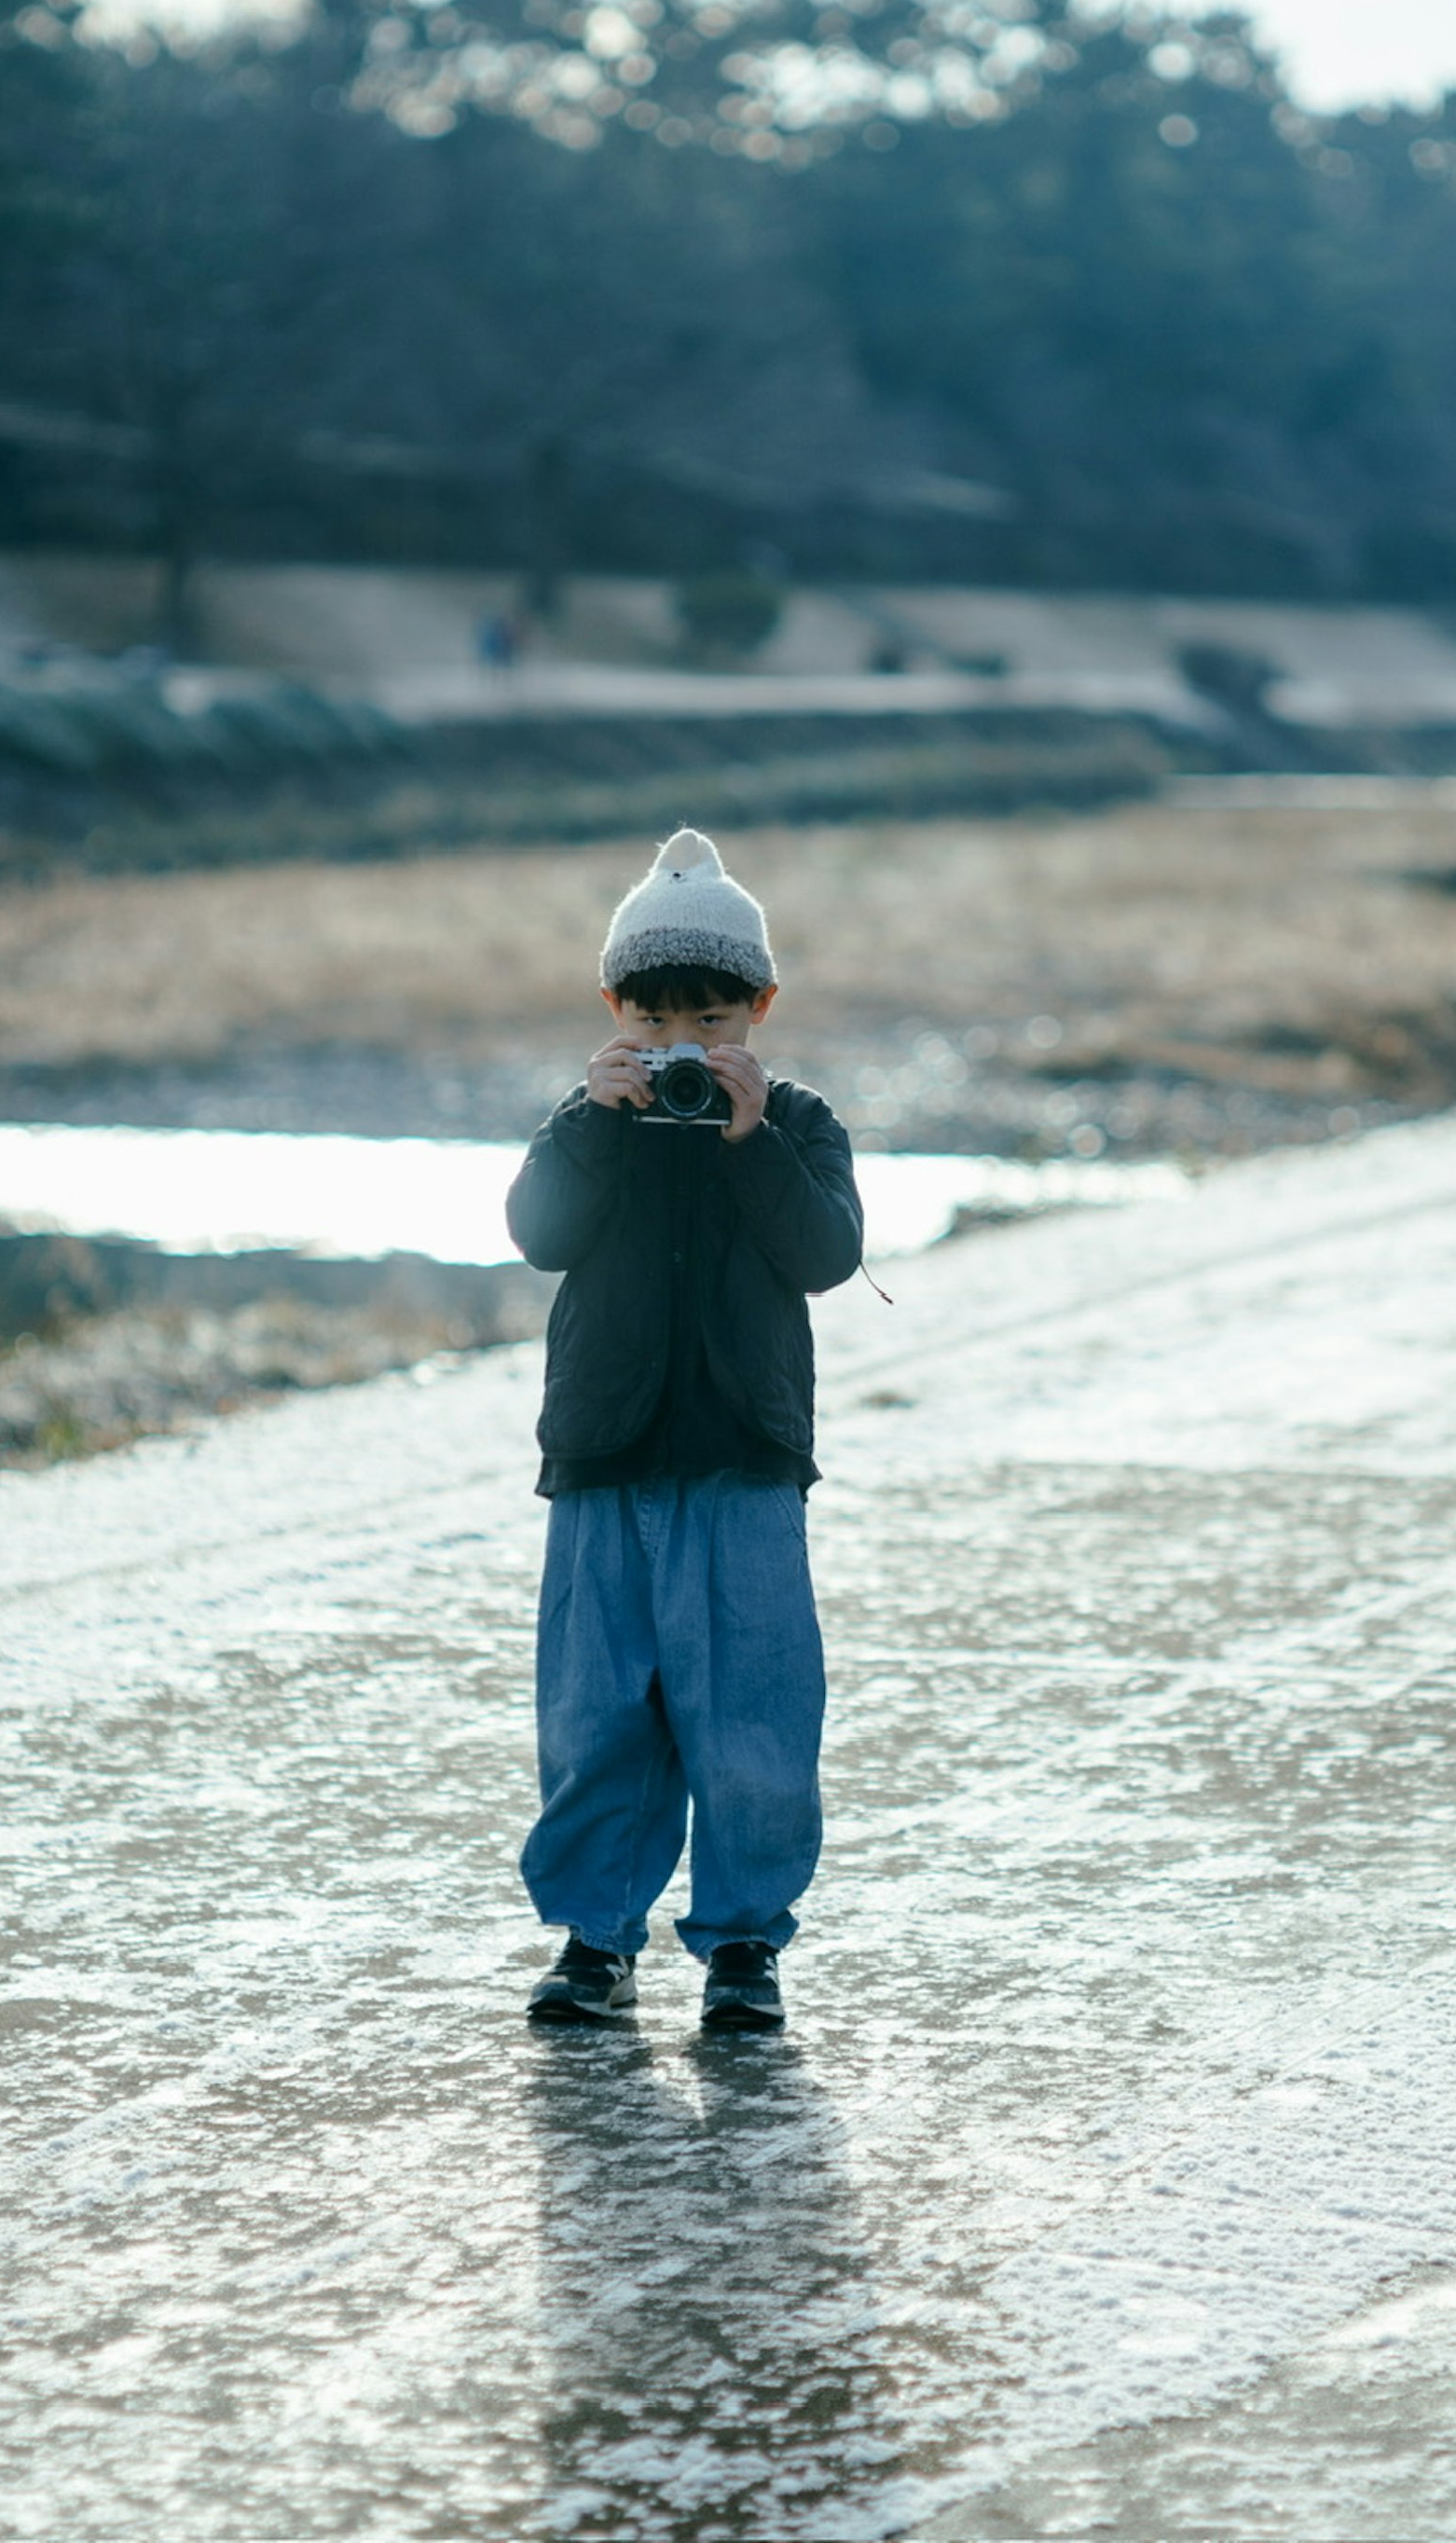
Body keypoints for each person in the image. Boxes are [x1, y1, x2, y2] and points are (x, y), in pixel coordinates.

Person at [504, 829, 863, 2034]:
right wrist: (595, 1122)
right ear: (615, 1010)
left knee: (754, 1714)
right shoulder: (589, 1117)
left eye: (712, 1022)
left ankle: (745, 1947)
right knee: (596, 1714)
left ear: (761, 1007)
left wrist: (750, 1142)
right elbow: (538, 1234)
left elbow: (827, 1256)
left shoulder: (797, 1123)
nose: (684, 1050)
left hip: (744, 1463)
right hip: (604, 1462)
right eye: (657, 1027)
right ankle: (595, 1938)